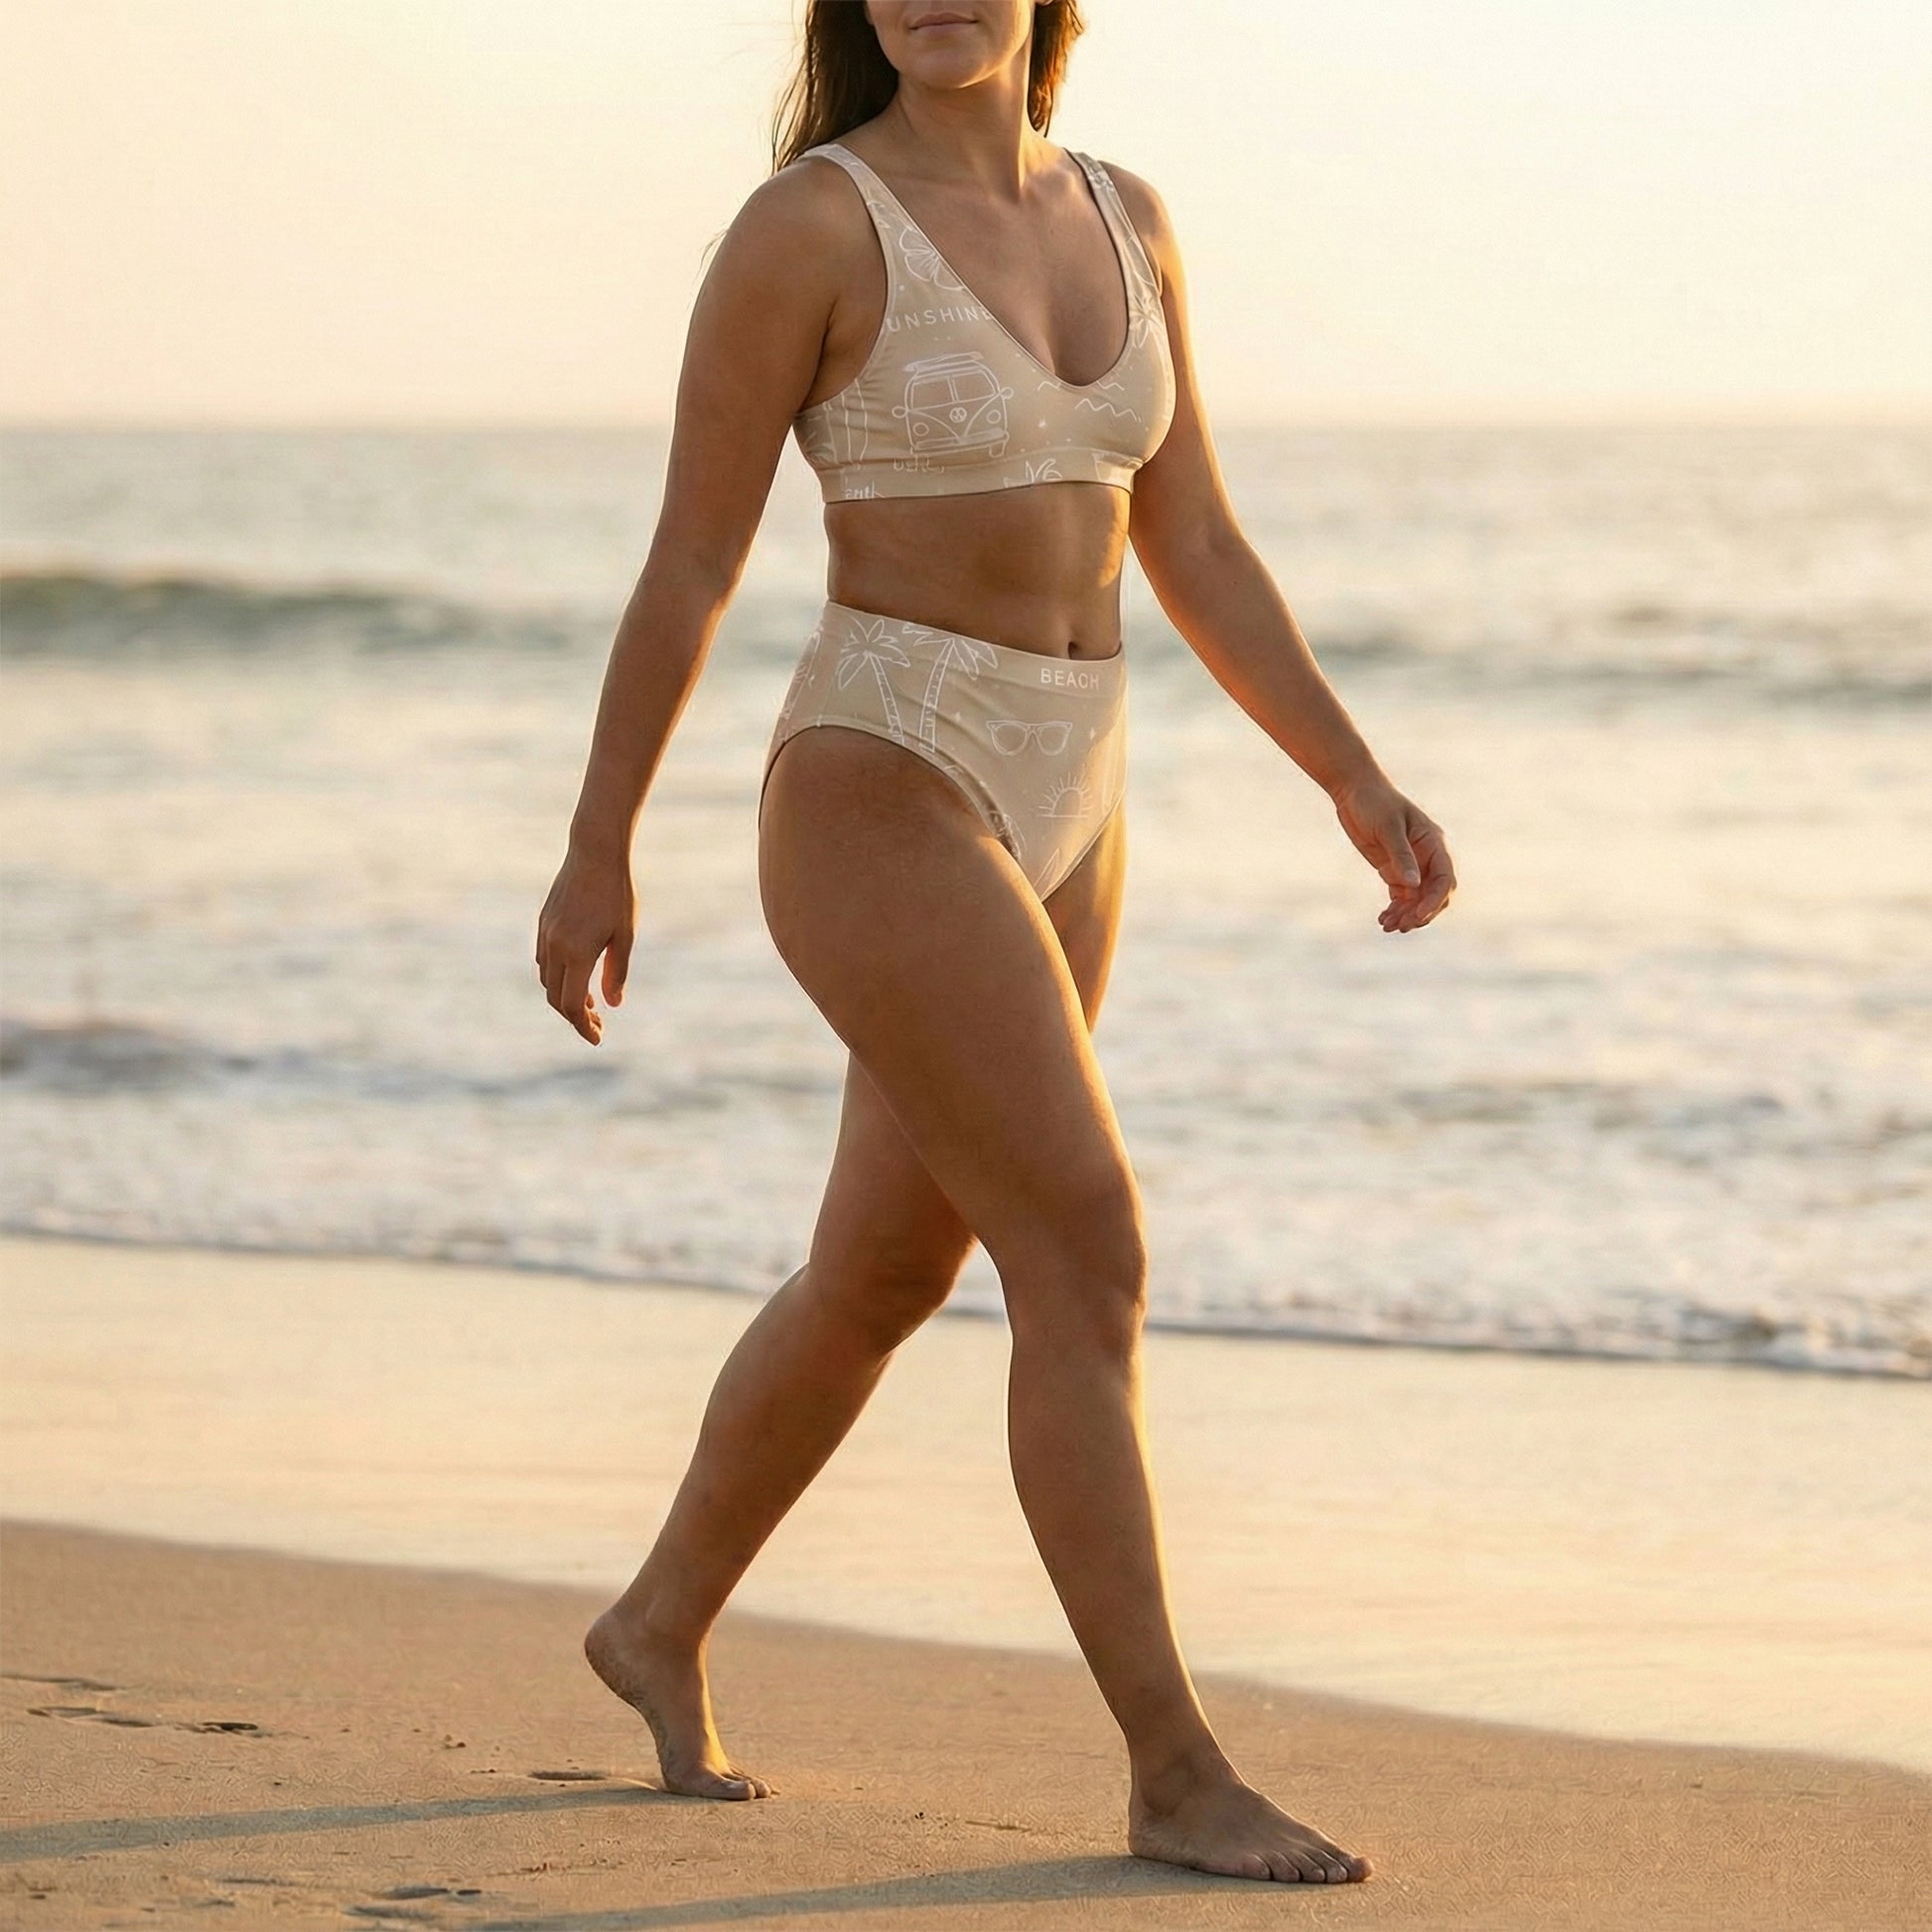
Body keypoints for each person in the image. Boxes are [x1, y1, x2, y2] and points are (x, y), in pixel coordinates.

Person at [535, 0, 1453, 1887]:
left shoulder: (1127, 212)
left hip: (1078, 776)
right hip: (884, 768)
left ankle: (653, 1619)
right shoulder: (807, 226)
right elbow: (691, 560)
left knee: (880, 1266)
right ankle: (1173, 1766)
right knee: (1085, 1242)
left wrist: (1352, 780)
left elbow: (1189, 537)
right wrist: (594, 846)